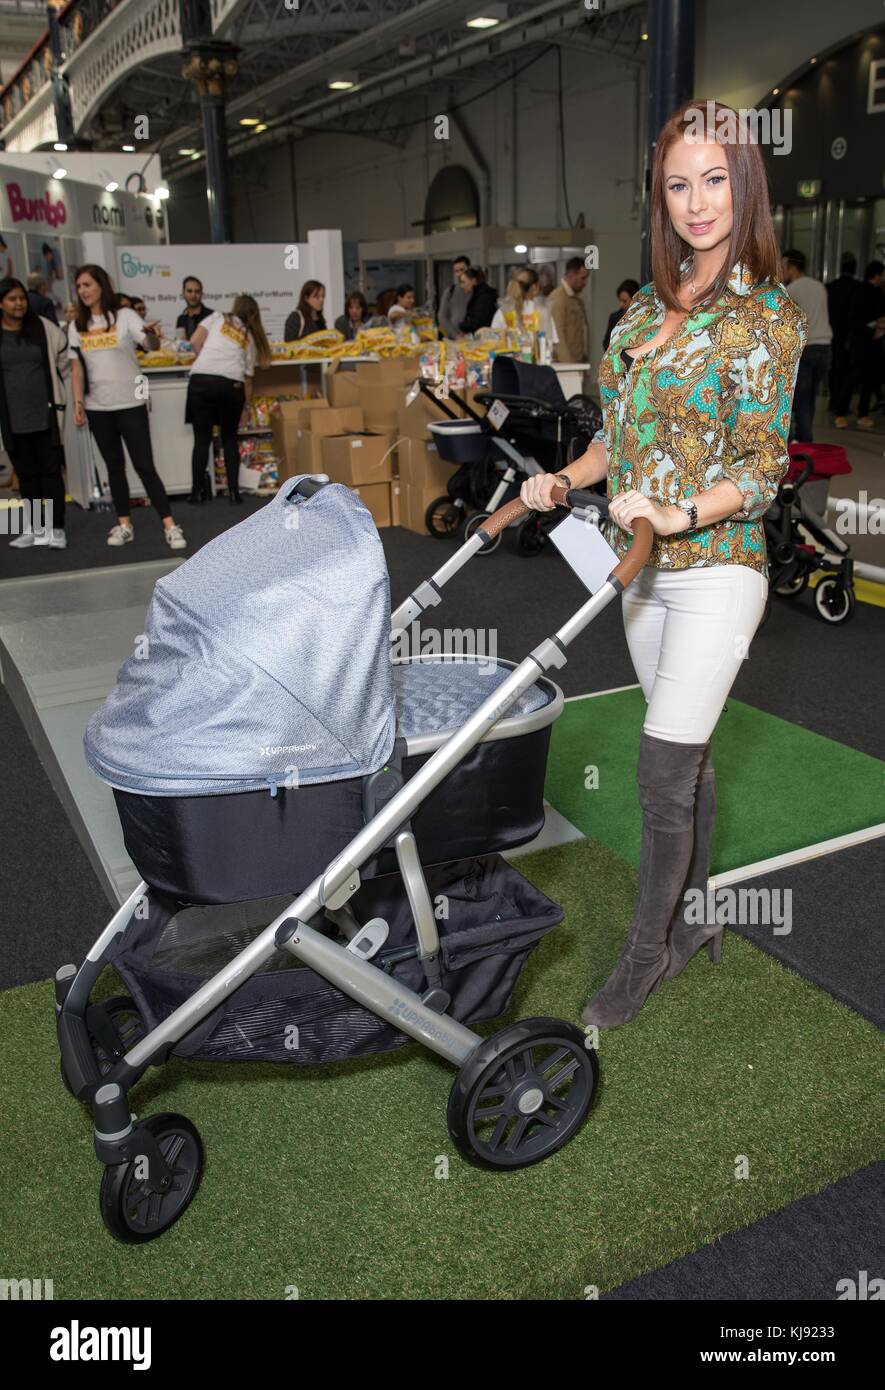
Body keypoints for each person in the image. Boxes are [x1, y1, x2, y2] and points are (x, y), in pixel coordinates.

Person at [520, 99, 806, 1029]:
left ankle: (645, 957)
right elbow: (617, 440)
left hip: (719, 564)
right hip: (640, 570)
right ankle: (692, 916)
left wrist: (678, 510)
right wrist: (560, 480)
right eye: (678, 184)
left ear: (745, 184)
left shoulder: (766, 316)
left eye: (714, 180)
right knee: (689, 759)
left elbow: (762, 466)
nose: (696, 202)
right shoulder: (645, 307)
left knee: (657, 768)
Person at [68, 264, 186, 550]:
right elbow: (76, 368)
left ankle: (170, 524)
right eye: (79, 286)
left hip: (131, 402)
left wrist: (153, 334)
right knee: (114, 466)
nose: (83, 291)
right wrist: (78, 403)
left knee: (144, 464)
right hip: (98, 406)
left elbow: (151, 344)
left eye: (87, 285)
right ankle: (124, 524)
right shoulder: (76, 326)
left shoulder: (124, 316)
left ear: (101, 286)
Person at [0, 277, 70, 550]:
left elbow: (64, 356)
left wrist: (65, 393)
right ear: (1, 303)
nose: (19, 304)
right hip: (12, 419)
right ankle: (35, 528)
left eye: (21, 298)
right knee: (26, 476)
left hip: (45, 415)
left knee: (50, 474)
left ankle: (57, 529)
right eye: (12, 299)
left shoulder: (42, 327)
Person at [186, 294, 272, 505]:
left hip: (201, 380)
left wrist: (206, 361)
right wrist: (245, 408)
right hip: (230, 385)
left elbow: (194, 340)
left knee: (201, 440)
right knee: (229, 439)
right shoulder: (248, 336)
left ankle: (197, 492)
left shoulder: (217, 316)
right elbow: (248, 379)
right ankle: (234, 492)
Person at [781, 248, 832, 441]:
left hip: (806, 349)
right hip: (825, 348)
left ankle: (803, 442)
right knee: (810, 398)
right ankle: (805, 439)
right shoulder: (819, 286)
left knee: (800, 399)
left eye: (784, 266)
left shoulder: (791, 289)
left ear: (792, 268)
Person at [845, 261, 885, 429]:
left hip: (871, 343)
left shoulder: (876, 292)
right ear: (876, 274)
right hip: (862, 343)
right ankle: (843, 411)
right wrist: (874, 328)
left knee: (867, 379)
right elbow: (856, 320)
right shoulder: (863, 293)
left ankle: (862, 413)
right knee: (854, 378)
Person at [491, 266, 558, 350]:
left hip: (510, 362)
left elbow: (493, 342)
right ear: (535, 287)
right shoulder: (543, 311)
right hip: (539, 362)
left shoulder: (503, 311)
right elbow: (553, 343)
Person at [826, 253, 858, 422]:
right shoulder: (858, 288)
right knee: (847, 371)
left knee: (835, 370)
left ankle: (833, 401)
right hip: (851, 337)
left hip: (832, 334)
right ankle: (841, 406)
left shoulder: (830, 287)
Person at [548, 257, 590, 363]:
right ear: (571, 275)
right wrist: (568, 365)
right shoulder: (558, 298)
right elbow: (557, 334)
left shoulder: (577, 299)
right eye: (583, 278)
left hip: (578, 361)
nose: (585, 283)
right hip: (567, 364)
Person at [438, 256, 471, 339]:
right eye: (456, 271)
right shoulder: (450, 291)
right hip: (454, 338)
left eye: (462, 270)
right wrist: (456, 335)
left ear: (469, 269)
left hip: (474, 337)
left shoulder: (478, 290)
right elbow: (442, 317)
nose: (459, 273)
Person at [603, 278, 640, 350]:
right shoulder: (614, 317)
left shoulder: (641, 316)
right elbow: (607, 342)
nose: (621, 305)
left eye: (624, 301)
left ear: (634, 299)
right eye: (620, 300)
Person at [459, 266, 497, 334]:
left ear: (473, 281)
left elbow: (478, 322)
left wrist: (462, 325)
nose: (461, 286)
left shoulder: (483, 296)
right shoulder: (478, 294)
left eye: (463, 282)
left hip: (484, 337)